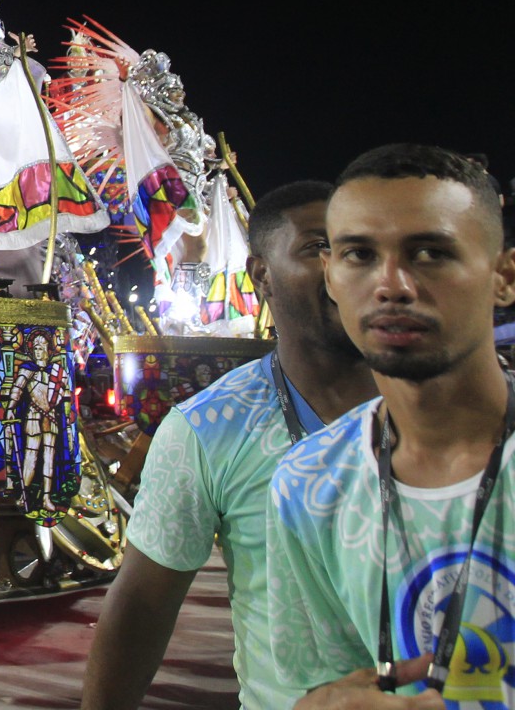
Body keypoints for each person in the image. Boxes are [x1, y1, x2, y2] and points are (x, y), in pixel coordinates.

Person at [81, 181, 378, 710]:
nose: (343, 269)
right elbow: (144, 605)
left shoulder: (448, 405)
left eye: (358, 250)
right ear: (260, 274)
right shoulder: (210, 428)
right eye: (318, 247)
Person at [265, 146, 515, 707]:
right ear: (330, 276)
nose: (392, 284)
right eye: (359, 254)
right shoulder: (308, 482)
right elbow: (327, 686)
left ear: (503, 277)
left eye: (430, 252)